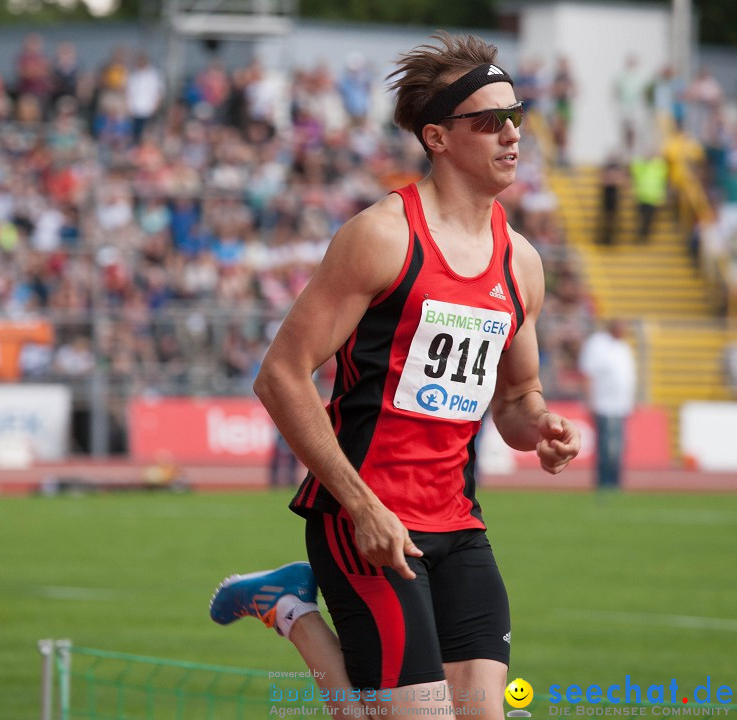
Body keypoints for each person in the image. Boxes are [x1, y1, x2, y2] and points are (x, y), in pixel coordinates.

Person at [208, 32, 580, 718]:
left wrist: (542, 428)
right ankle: (291, 611)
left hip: (459, 521)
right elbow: (281, 375)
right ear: (437, 137)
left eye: (516, 116)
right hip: (365, 516)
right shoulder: (382, 237)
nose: (510, 134)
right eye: (488, 121)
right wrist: (360, 504)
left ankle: (284, 602)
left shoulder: (520, 261)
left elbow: (518, 398)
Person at [578, 320, 636, 492]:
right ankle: (604, 481)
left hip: (621, 404)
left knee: (619, 445)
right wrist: (590, 401)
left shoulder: (623, 347)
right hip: (604, 403)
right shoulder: (597, 344)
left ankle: (615, 481)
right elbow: (588, 372)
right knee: (607, 445)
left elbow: (627, 376)